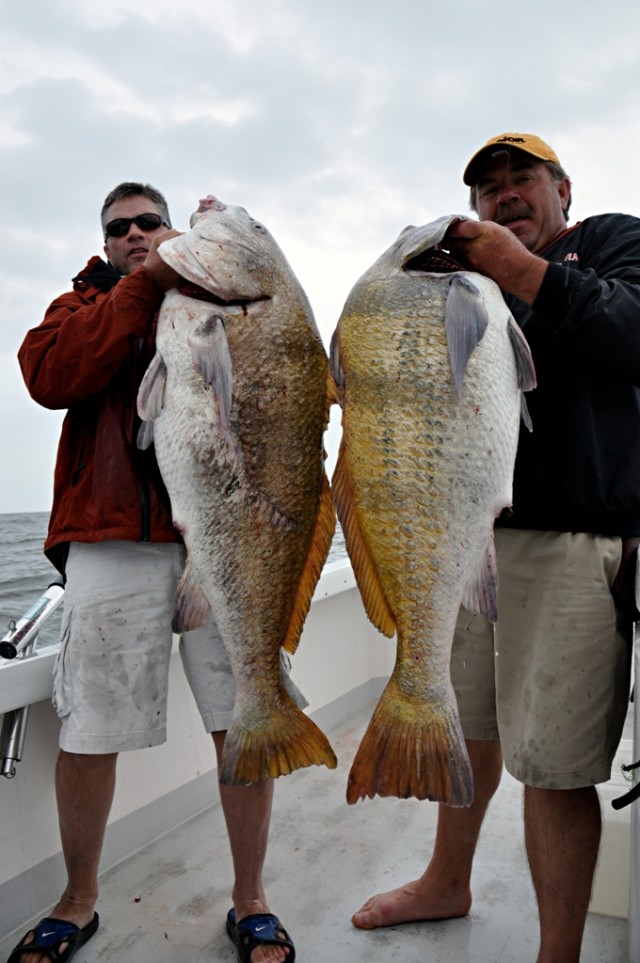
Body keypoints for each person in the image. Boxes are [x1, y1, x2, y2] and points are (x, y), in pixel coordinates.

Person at [351, 132, 640, 962]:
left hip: (571, 545)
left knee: (552, 760)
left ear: (564, 190)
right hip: (463, 535)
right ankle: (447, 879)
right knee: (468, 722)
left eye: (523, 178)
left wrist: (523, 271)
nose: (504, 194)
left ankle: (557, 952)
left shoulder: (611, 241)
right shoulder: (464, 286)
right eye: (488, 188)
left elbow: (633, 331)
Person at [12, 183, 297, 963]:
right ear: (105, 244)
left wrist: (223, 246)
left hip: (227, 532)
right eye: (119, 227)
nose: (134, 232)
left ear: (170, 227)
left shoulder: (221, 299)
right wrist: (148, 285)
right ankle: (76, 899)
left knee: (243, 717)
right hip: (111, 536)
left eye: (149, 222)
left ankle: (252, 897)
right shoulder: (80, 307)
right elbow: (51, 376)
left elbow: (280, 370)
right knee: (90, 726)